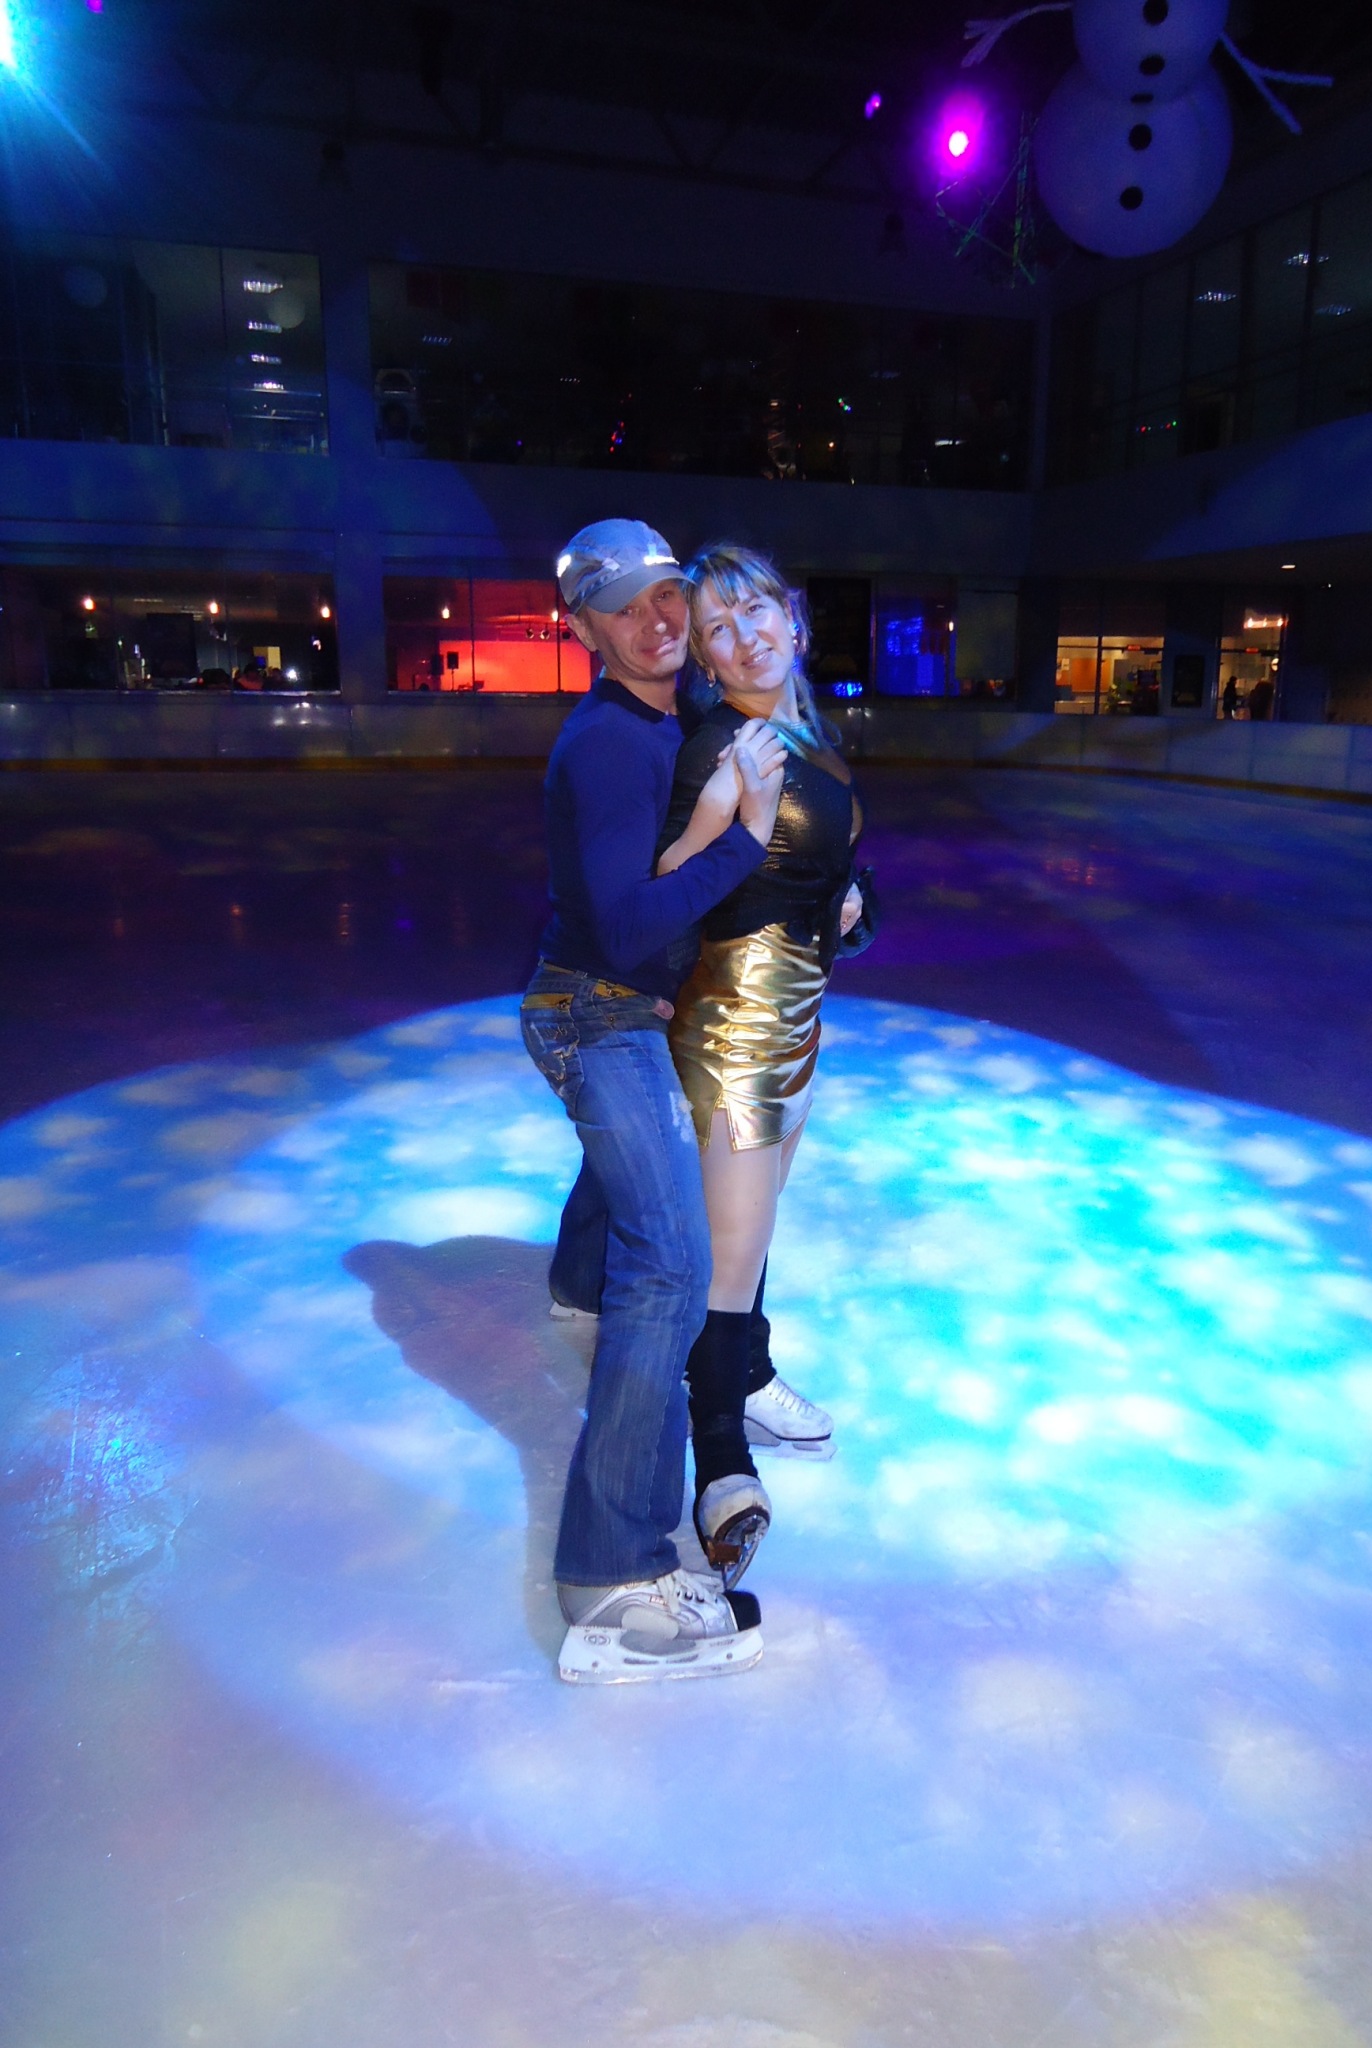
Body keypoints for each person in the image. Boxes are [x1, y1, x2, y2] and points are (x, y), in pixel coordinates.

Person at [520, 517, 787, 1685]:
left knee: (643, 1178)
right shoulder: (608, 745)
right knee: (672, 1264)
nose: (659, 618)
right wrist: (747, 844)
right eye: (626, 605)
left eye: (668, 593)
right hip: (597, 1010)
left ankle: (578, 1278)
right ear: (582, 625)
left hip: (621, 997)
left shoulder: (663, 719)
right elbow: (630, 925)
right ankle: (611, 1578)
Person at [658, 542, 870, 1586]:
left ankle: (748, 1369)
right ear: (703, 657)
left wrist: (851, 902)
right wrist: (718, 815)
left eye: (754, 612)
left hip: (797, 1021)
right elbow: (663, 886)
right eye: (717, 629)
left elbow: (818, 862)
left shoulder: (810, 738)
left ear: (792, 613)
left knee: (751, 1233)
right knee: (728, 1258)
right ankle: (719, 1463)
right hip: (734, 1030)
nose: (744, 638)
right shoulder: (719, 747)